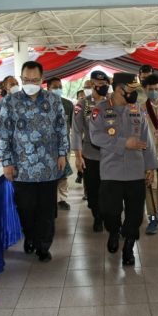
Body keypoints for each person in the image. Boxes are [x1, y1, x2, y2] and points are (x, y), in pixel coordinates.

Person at [0, 61, 68, 262]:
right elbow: (4, 135)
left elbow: (62, 129)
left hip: (48, 166)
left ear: (42, 80)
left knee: (46, 210)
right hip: (21, 168)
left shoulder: (54, 101)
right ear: (21, 79)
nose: (30, 83)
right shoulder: (9, 103)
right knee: (26, 208)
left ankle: (43, 246)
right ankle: (30, 236)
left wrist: (62, 154)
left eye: (34, 80)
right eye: (26, 79)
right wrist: (6, 162)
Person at [89, 72, 158, 265]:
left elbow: (147, 140)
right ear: (119, 89)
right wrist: (123, 143)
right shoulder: (99, 110)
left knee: (135, 214)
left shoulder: (137, 110)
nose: (134, 93)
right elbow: (95, 137)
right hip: (111, 171)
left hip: (136, 171)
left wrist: (150, 166)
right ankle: (113, 231)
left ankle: (128, 245)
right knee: (109, 211)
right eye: (130, 89)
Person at [71, 70, 110, 232]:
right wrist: (78, 157)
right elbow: (77, 131)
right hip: (91, 155)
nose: (101, 87)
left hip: (111, 155)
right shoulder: (84, 104)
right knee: (94, 190)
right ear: (92, 84)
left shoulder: (113, 102)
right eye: (98, 84)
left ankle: (109, 217)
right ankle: (97, 216)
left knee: (110, 189)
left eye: (104, 84)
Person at [141, 73, 158, 234]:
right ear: (145, 90)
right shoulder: (140, 109)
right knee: (150, 186)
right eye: (150, 89)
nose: (153, 92)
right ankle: (152, 219)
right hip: (148, 155)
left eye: (156, 89)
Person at [47, 77, 74, 211]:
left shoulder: (68, 104)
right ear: (48, 88)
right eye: (55, 87)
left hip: (64, 146)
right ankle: (51, 199)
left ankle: (62, 199)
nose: (58, 89)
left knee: (63, 174)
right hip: (47, 148)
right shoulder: (42, 103)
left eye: (60, 86)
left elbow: (73, 126)